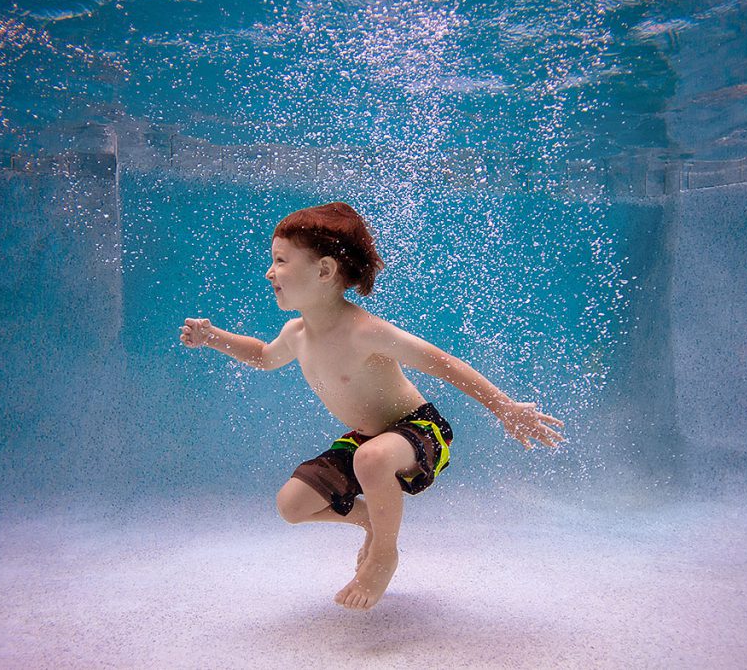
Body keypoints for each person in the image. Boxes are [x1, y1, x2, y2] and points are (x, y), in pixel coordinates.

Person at [180, 201, 564, 611]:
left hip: (419, 430)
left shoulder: (366, 332)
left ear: (325, 271)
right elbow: (261, 355)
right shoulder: (295, 333)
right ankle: (369, 519)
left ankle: (385, 553)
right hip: (365, 440)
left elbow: (443, 364)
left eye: (280, 260)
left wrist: (504, 407)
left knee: (372, 457)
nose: (269, 272)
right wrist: (213, 338)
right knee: (292, 505)